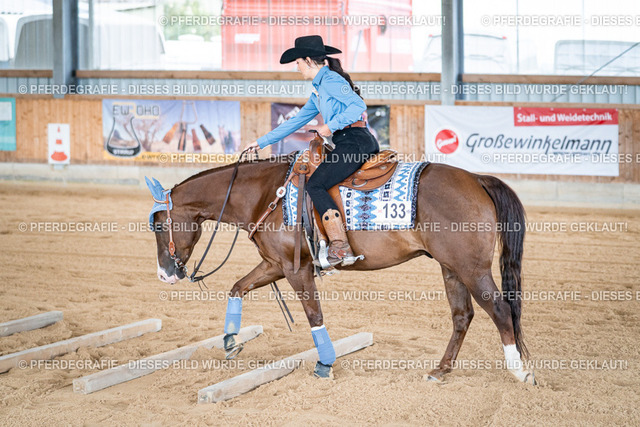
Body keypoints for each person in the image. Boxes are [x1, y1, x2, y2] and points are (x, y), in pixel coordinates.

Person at [246, 35, 380, 267]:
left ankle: (340, 246)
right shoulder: (318, 90)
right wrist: (261, 142)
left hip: (355, 141)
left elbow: (358, 106)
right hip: (349, 141)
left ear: (308, 60)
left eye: (298, 62)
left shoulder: (330, 80)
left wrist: (329, 126)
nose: (296, 67)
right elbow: (295, 122)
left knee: (315, 184)